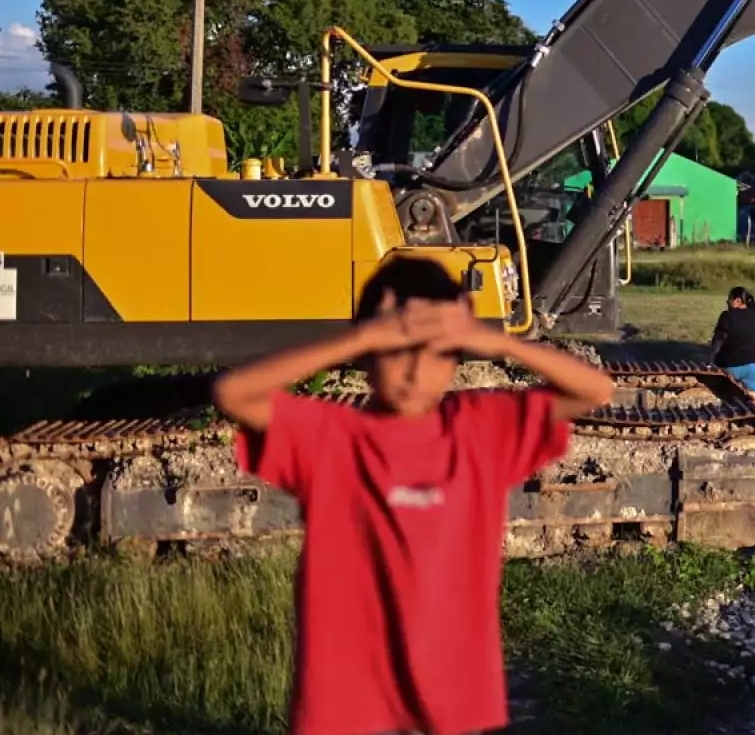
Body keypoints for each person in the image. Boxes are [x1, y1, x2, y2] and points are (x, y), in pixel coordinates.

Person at [213, 255, 615, 735]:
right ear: (367, 359)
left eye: (434, 354)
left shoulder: (478, 431)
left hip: (451, 697)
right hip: (347, 700)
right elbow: (234, 393)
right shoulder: (334, 440)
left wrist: (495, 340)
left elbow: (594, 391)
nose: (414, 371)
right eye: (396, 352)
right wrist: (360, 337)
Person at [709, 286, 755, 403]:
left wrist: (710, 361)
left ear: (737, 300)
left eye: (729, 299)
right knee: (754, 399)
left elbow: (719, 340)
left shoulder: (727, 316)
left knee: (726, 400)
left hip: (730, 366)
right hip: (754, 367)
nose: (727, 302)